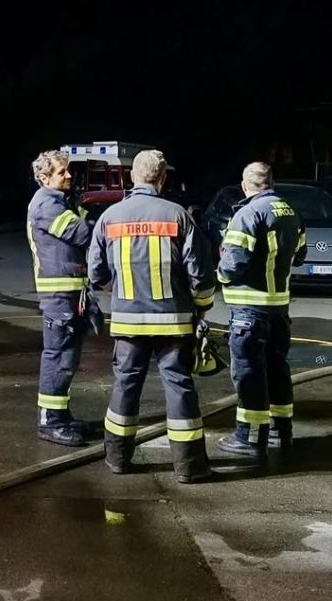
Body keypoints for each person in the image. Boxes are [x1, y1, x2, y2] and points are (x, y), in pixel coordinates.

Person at [88, 149, 217, 482]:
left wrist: (119, 292)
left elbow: (96, 272)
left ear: (133, 177)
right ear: (162, 178)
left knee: (125, 385)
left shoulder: (109, 217)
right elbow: (200, 274)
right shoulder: (178, 216)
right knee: (179, 385)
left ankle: (117, 459)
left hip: (127, 322)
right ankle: (189, 467)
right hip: (174, 322)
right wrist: (201, 306)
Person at [215, 161, 306, 458]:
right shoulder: (290, 211)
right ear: (271, 183)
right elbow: (300, 255)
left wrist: (219, 275)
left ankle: (250, 438)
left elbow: (233, 264)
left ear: (244, 185)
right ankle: (282, 432)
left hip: (249, 310)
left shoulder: (247, 213)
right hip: (279, 308)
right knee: (278, 370)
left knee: (249, 373)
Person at [26, 150, 100, 446]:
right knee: (58, 357)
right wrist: (110, 224)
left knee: (67, 357)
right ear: (44, 178)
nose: (69, 175)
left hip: (70, 293)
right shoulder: (46, 205)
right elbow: (82, 234)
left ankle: (60, 415)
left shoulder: (58, 202)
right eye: (62, 172)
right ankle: (50, 421)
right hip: (58, 296)